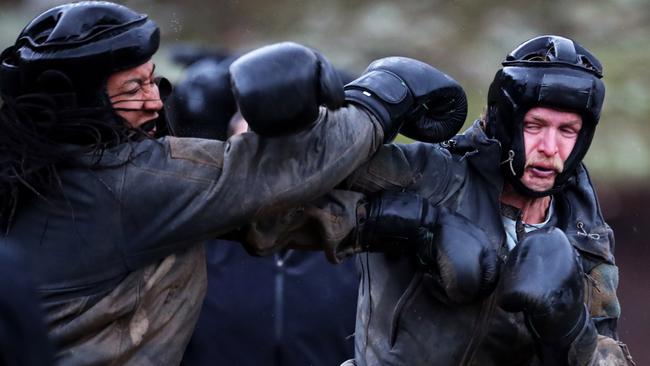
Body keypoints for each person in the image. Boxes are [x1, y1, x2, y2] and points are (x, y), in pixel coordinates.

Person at [0, 2, 467, 365]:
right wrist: (383, 95)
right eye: (131, 90)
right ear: (79, 103)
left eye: (151, 82)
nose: (154, 103)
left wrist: (368, 223)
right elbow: (268, 172)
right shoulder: (116, 183)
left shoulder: (42, 170)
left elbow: (229, 218)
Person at [242, 35, 636, 365]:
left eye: (568, 130)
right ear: (507, 120)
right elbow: (292, 182)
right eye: (535, 125)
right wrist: (368, 104)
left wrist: (571, 326)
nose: (550, 147)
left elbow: (609, 355)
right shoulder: (432, 176)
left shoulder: (584, 229)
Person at [168, 56, 359, 366]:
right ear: (231, 136)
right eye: (255, 128)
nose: (272, 146)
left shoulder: (367, 233)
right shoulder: (190, 230)